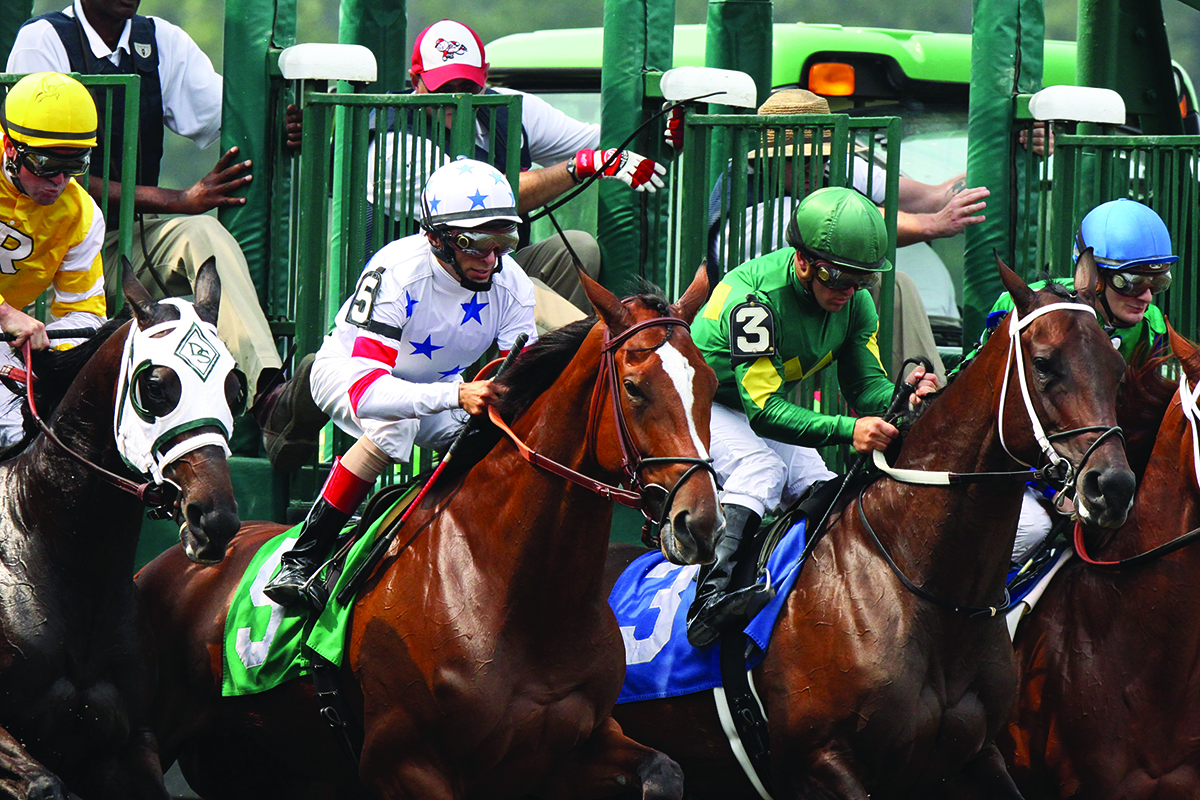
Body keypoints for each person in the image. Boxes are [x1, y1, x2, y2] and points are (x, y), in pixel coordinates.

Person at [260, 157, 537, 609]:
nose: (492, 258)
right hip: (351, 371)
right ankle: (304, 557)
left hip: (441, 384)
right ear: (436, 238)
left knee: (493, 437)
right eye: (477, 243)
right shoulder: (398, 269)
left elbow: (521, 383)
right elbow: (370, 391)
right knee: (395, 427)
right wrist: (455, 394)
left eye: (504, 240)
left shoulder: (514, 284)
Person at [686, 186, 939, 647]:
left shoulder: (856, 302)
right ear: (802, 261)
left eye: (860, 280)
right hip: (700, 403)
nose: (847, 291)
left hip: (750, 405)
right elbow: (763, 412)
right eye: (837, 276)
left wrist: (907, 399)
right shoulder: (755, 301)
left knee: (819, 487)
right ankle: (709, 599)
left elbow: (866, 388)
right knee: (761, 468)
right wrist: (849, 430)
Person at [7, 0, 284, 403]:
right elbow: (46, 170)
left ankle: (267, 395)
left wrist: (278, 125)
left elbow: (233, 116)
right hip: (39, 250)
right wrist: (176, 199)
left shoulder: (161, 41)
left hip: (118, 245)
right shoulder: (42, 40)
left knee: (202, 233)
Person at [370, 18, 666, 330]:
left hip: (488, 268)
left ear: (485, 76)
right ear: (415, 81)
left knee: (579, 248)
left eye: (468, 86)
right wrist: (578, 168)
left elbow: (604, 142)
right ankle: (580, 354)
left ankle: (548, 363)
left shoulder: (508, 106)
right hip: (424, 290)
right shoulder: (393, 142)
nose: (459, 98)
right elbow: (483, 208)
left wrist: (663, 131)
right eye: (444, 87)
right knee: (569, 327)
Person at [968, 198, 1173, 565]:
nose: (1146, 296)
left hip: (1100, 463)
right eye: (1133, 281)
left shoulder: (1151, 327)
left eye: (1157, 280)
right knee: (1032, 528)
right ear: (1095, 279)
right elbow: (993, 408)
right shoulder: (1022, 308)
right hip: (1027, 468)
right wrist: (1054, 486)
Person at [0, 72, 107, 446]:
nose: (59, 181)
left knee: (29, 431)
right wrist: (7, 314)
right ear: (12, 148)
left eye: (75, 166)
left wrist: (48, 352)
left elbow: (85, 315)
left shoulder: (82, 215)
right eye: (46, 165)